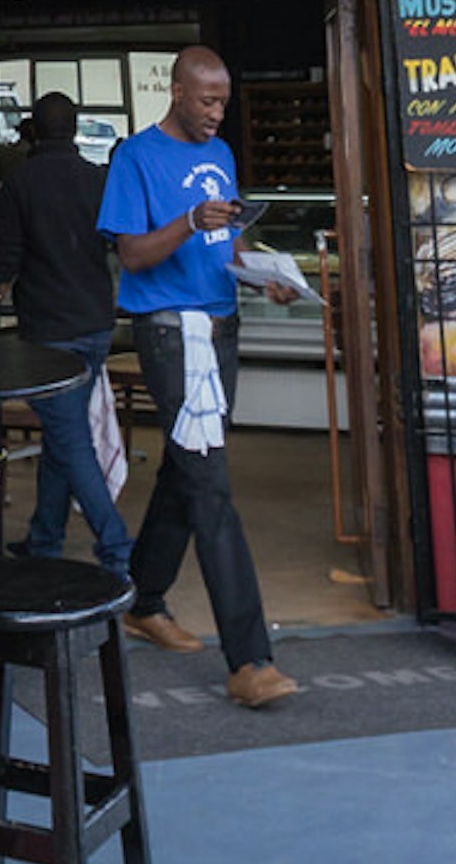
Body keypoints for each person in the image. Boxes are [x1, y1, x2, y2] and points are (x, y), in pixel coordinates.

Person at [97, 45, 306, 709]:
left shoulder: (220, 155)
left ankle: (143, 599)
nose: (218, 113)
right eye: (208, 101)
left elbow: (229, 242)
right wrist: (187, 222)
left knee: (187, 471)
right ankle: (249, 660)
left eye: (224, 102)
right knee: (211, 484)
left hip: (222, 328)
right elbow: (132, 255)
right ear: (179, 93)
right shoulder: (135, 157)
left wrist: (263, 276)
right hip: (169, 331)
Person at [0, 93, 128, 581]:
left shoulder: (19, 183)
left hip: (48, 330)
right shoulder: (97, 180)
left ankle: (117, 549)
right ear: (74, 130)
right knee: (62, 435)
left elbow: (6, 260)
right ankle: (45, 539)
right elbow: (119, 243)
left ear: (34, 128)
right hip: (95, 324)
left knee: (71, 441)